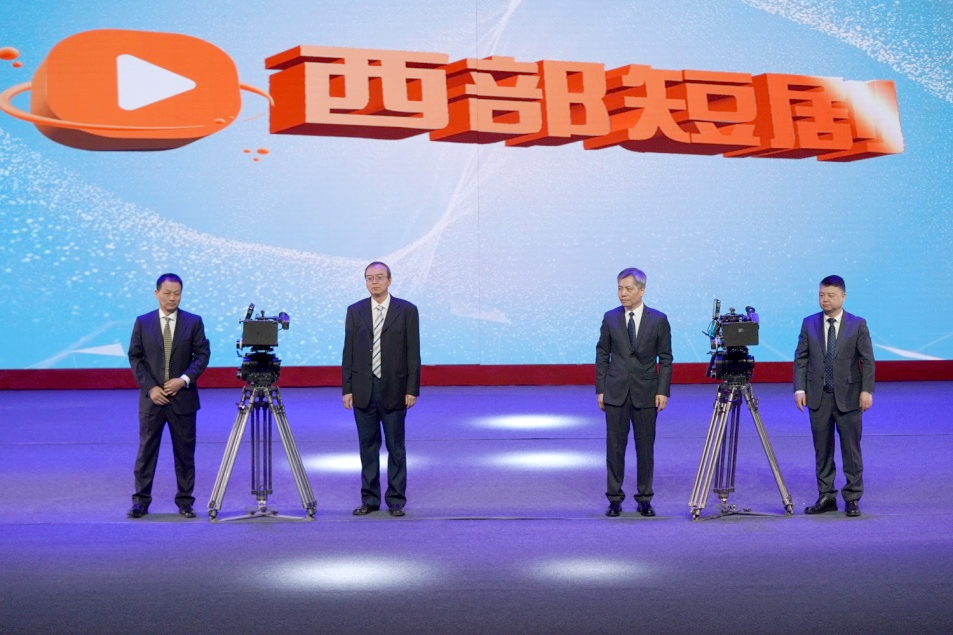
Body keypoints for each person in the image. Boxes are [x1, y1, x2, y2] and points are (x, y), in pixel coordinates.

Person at [127, 273, 210, 519]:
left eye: (177, 293)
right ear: (157, 294)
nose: (172, 298)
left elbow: (202, 355)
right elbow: (135, 357)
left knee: (185, 454)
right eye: (167, 293)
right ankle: (140, 501)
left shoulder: (193, 322)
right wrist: (151, 388)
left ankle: (185, 502)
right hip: (152, 400)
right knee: (146, 452)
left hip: (183, 399)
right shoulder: (143, 322)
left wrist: (183, 380)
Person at [342, 262, 420, 517]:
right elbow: (348, 351)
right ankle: (370, 499)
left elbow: (413, 353)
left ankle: (396, 500)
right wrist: (347, 388)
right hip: (363, 388)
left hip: (395, 388)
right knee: (368, 447)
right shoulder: (355, 310)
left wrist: (412, 389)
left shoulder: (407, 310)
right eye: (369, 278)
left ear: (389, 280)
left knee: (396, 447)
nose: (374, 282)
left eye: (379, 277)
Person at [794, 275, 874, 517]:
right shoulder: (809, 323)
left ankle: (852, 497)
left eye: (830, 295)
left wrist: (867, 390)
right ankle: (826, 496)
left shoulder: (857, 324)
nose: (825, 299)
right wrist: (799, 389)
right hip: (818, 397)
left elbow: (867, 360)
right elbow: (801, 358)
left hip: (849, 396)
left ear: (843, 296)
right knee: (822, 450)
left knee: (851, 450)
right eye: (821, 295)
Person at [596, 267, 673, 517]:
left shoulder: (658, 319)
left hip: (647, 393)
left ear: (642, 290)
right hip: (615, 392)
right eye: (620, 288)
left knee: (645, 449)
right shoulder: (610, 318)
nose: (623, 293)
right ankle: (614, 499)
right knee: (614, 448)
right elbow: (602, 354)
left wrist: (663, 390)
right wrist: (601, 389)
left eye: (628, 289)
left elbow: (666, 358)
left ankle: (644, 498)